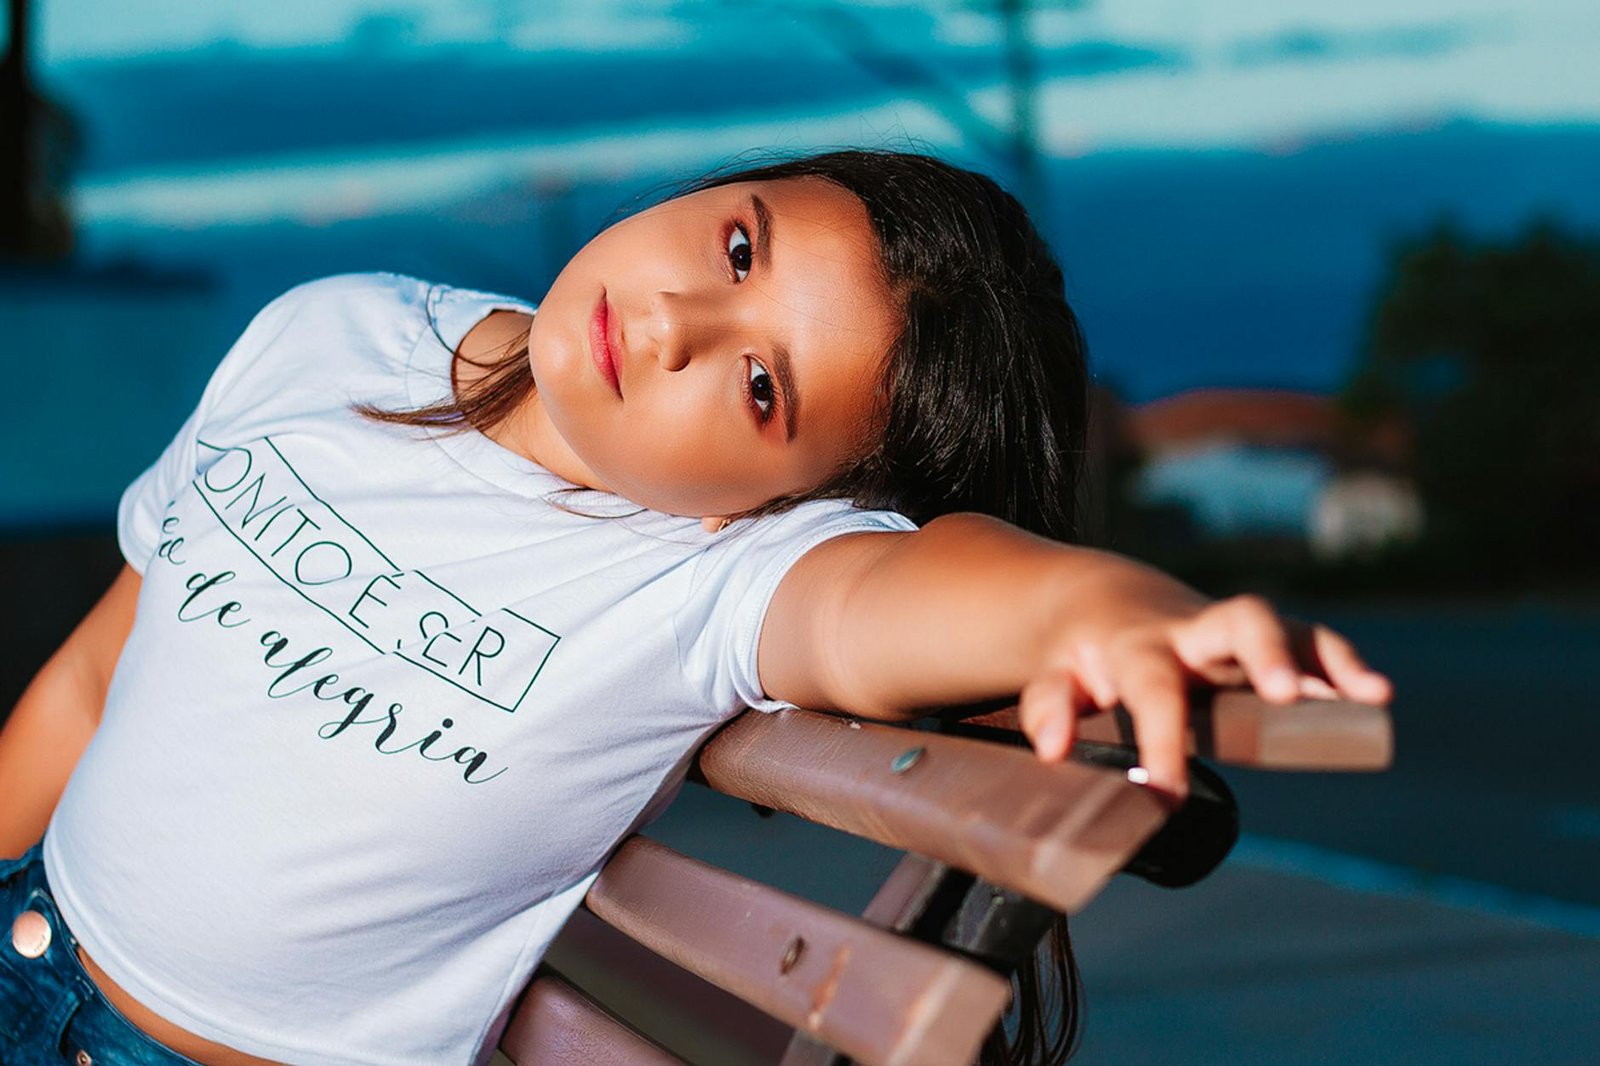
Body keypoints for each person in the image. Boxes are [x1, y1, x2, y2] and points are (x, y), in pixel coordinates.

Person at [0, 150, 1391, 1066]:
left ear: (793, 495)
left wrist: (1108, 609)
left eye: (765, 388)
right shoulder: (334, 330)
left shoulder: (717, 579)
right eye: (740, 245)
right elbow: (95, 674)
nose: (670, 323)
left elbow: (914, 591)